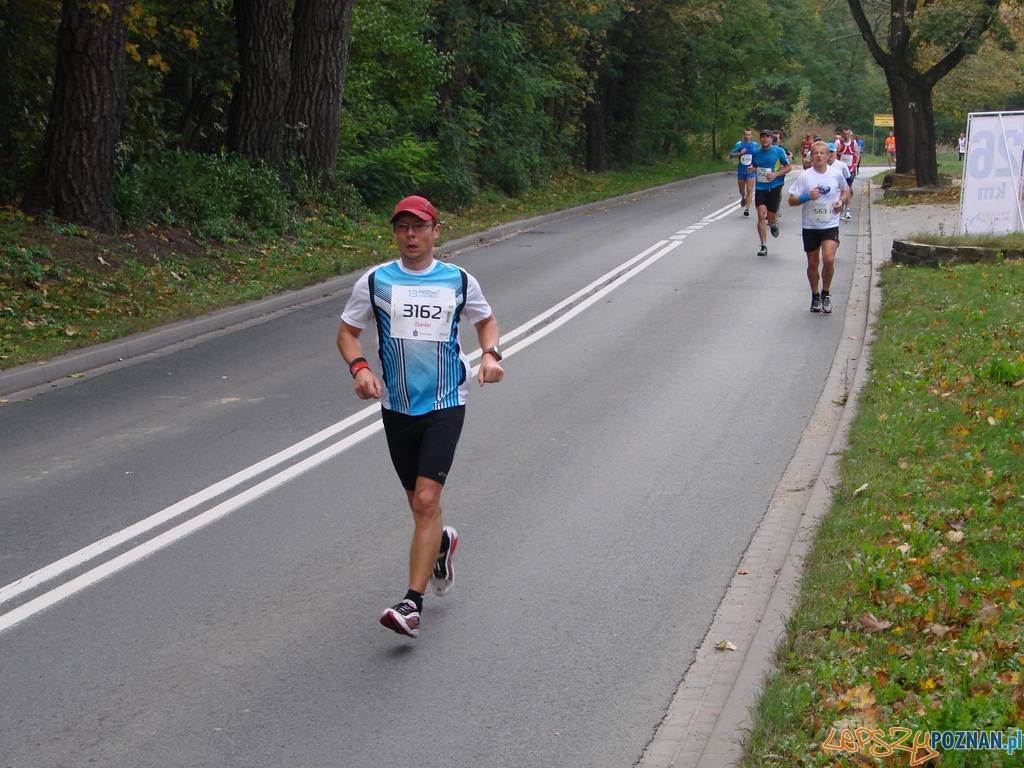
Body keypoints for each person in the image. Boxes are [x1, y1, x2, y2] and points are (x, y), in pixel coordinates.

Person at [337, 194, 504, 639]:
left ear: (435, 230)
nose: (410, 235)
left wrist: (490, 355)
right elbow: (347, 335)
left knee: (427, 501)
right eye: (402, 227)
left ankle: (412, 605)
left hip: (446, 401)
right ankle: (442, 545)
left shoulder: (458, 280)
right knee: (418, 505)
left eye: (419, 227)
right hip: (397, 406)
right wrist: (360, 369)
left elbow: (485, 321)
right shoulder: (376, 282)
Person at [788, 141, 850, 314]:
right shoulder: (805, 176)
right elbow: (791, 201)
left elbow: (846, 190)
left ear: (828, 155)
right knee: (813, 262)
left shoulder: (836, 174)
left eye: (823, 153)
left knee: (829, 259)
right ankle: (815, 295)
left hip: (830, 223)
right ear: (811, 156)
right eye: (816, 153)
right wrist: (807, 196)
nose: (819, 156)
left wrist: (841, 202)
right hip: (810, 225)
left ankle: (826, 293)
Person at [750, 128, 793, 257]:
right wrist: (752, 169)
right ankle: (763, 245)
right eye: (762, 137)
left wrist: (775, 174)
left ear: (771, 139)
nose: (764, 139)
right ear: (760, 139)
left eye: (767, 137)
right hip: (761, 187)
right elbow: (755, 166)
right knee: (761, 215)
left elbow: (788, 167)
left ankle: (773, 225)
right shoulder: (756, 153)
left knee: (771, 217)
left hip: (774, 186)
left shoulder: (778, 151)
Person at [729, 129, 758, 216]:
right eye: (745, 134)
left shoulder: (755, 145)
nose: (747, 136)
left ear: (751, 135)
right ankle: (743, 197)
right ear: (743, 135)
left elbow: (759, 154)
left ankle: (747, 208)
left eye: (749, 134)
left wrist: (756, 165)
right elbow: (731, 155)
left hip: (751, 170)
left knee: (749, 188)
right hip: (741, 170)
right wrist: (739, 153)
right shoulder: (739, 144)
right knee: (742, 189)